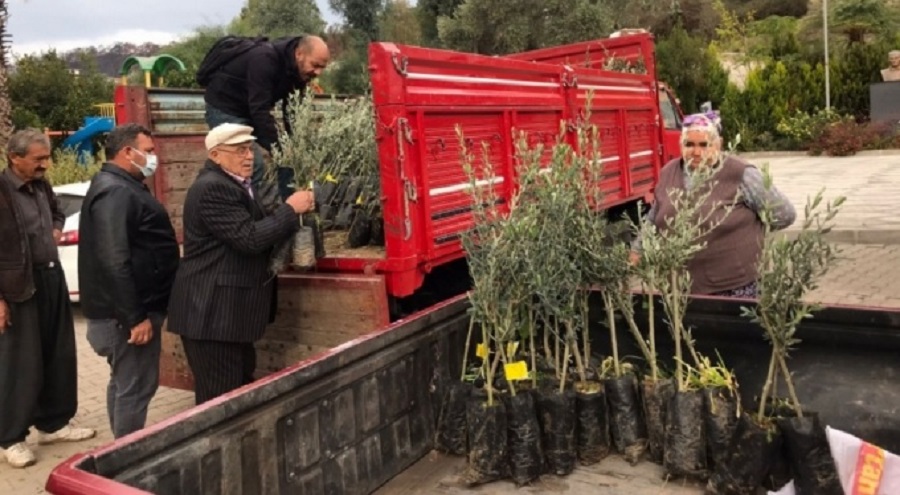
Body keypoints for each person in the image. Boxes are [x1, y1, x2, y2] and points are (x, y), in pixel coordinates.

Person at [166, 123, 316, 405]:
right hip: (212, 318)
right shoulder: (213, 189)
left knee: (238, 393)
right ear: (215, 155)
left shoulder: (236, 185)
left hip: (227, 318)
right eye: (239, 151)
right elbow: (248, 238)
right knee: (220, 404)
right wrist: (290, 209)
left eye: (250, 149)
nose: (249, 157)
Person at [0, 129, 95, 468]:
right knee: (20, 363)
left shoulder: (41, 186)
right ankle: (10, 437)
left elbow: (56, 212)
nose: (45, 165)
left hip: (52, 277)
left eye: (47, 157)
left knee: (58, 353)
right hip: (17, 285)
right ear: (15, 158)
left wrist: (55, 230)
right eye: (38, 159)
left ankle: (53, 424)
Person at [78, 124, 180, 439]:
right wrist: (135, 317)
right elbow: (113, 259)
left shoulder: (122, 186)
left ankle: (116, 451)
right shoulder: (115, 191)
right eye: (148, 151)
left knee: (124, 383)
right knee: (135, 387)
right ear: (127, 152)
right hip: (124, 318)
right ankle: (127, 459)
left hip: (123, 313)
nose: (153, 157)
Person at [636, 112, 796, 297]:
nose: (696, 152)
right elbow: (654, 218)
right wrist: (637, 249)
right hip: (682, 288)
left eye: (704, 144)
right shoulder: (669, 172)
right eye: (689, 144)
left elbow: (785, 214)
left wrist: (750, 235)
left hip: (735, 287)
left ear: (718, 144)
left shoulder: (741, 173)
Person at [202, 34, 330, 199]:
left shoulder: (299, 72)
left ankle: (291, 211)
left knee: (289, 157)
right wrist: (279, 147)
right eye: (315, 65)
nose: (318, 72)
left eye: (322, 67)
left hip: (250, 110)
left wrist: (296, 147)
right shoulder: (264, 59)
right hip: (225, 108)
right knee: (251, 164)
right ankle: (245, 216)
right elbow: (259, 110)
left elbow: (292, 111)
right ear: (299, 54)